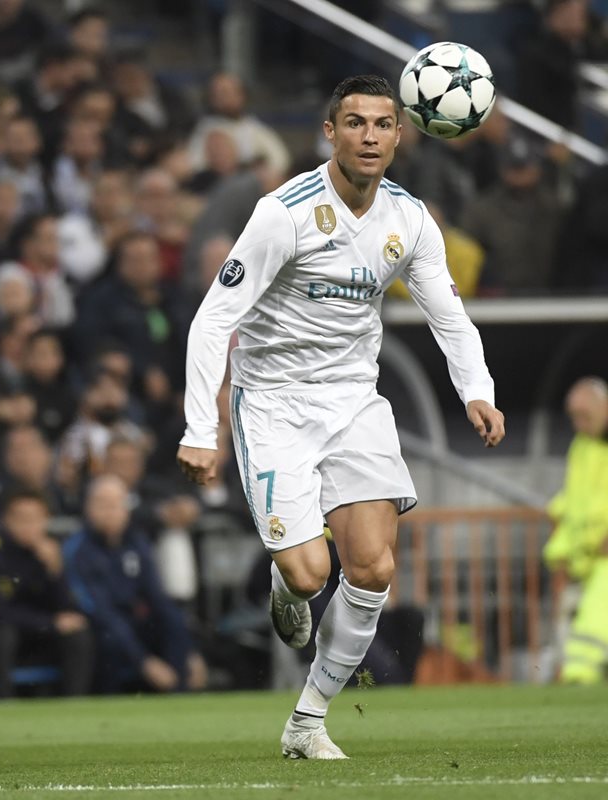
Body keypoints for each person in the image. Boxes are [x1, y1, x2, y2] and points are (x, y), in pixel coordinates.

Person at [176, 76, 505, 759]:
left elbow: (449, 314)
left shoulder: (409, 219)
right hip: (273, 403)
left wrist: (477, 389)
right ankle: (285, 581)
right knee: (308, 574)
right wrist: (200, 429)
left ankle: (308, 720)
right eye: (355, 123)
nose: (369, 136)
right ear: (330, 132)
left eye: (382, 124)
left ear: (400, 135)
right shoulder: (284, 213)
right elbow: (213, 320)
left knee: (375, 569)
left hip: (355, 401)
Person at [63, 475, 206, 695]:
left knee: (173, 622)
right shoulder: (78, 549)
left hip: (133, 622)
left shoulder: (137, 543)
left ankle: (180, 693)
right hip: (100, 627)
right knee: (109, 639)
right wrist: (144, 661)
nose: (110, 512)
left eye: (116, 504)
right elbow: (98, 610)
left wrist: (190, 650)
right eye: (102, 504)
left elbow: (158, 597)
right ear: (88, 508)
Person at [0, 487, 93, 698]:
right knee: (2, 637)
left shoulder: (53, 550)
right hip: (14, 632)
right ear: (6, 520)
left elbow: (67, 606)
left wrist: (55, 571)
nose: (28, 526)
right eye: (21, 519)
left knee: (79, 634)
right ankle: (1, 703)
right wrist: (50, 623)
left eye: (35, 519)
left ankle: (75, 702)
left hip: (44, 634)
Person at [544, 376, 608, 684]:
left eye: (585, 416)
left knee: (591, 630)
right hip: (583, 560)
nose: (579, 424)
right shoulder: (581, 446)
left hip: (603, 559)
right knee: (573, 630)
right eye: (574, 417)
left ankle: (580, 678)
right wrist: (560, 552)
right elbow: (573, 502)